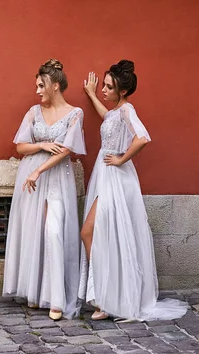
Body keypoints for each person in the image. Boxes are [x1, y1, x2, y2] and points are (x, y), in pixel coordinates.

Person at [79, 61, 187, 321]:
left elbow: (143, 137)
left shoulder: (128, 109)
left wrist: (121, 159)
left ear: (123, 92)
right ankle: (105, 297)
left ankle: (106, 299)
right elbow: (107, 118)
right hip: (105, 177)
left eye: (109, 87)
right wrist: (92, 94)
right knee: (103, 234)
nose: (104, 89)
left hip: (116, 179)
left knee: (92, 232)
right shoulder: (116, 111)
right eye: (104, 85)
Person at [3, 59, 86, 320]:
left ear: (56, 85)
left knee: (53, 232)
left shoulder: (75, 113)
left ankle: (57, 300)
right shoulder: (33, 112)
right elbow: (20, 146)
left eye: (42, 86)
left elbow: (67, 150)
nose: (37, 91)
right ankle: (36, 293)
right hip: (30, 180)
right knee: (34, 233)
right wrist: (41, 146)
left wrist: (39, 169)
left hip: (55, 178)